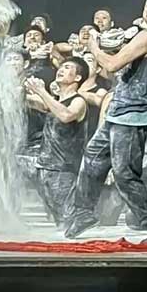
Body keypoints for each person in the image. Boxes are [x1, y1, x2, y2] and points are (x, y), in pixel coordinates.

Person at [66, 0, 147, 242]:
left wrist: (94, 46)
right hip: (122, 111)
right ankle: (83, 212)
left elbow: (111, 65)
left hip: (132, 114)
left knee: (124, 174)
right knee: (93, 157)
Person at [25, 57, 90, 227]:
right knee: (59, 219)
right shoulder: (55, 102)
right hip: (44, 166)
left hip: (63, 170)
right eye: (61, 66)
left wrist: (41, 91)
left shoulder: (78, 101)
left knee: (67, 220)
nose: (61, 69)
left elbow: (66, 115)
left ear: (77, 77)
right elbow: (32, 102)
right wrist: (21, 89)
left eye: (67, 67)